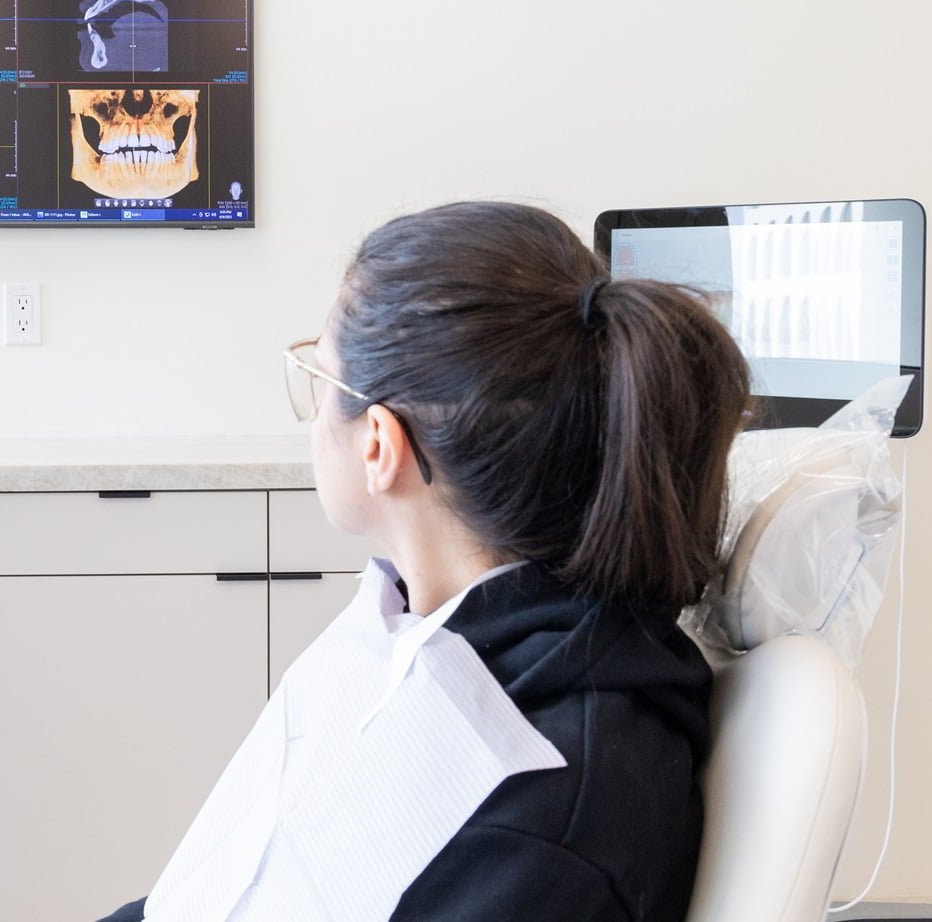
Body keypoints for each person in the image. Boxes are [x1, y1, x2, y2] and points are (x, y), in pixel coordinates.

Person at [99, 201, 753, 922]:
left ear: (380, 444)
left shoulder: (543, 817)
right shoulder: (434, 634)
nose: (312, 415)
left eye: (320, 380)